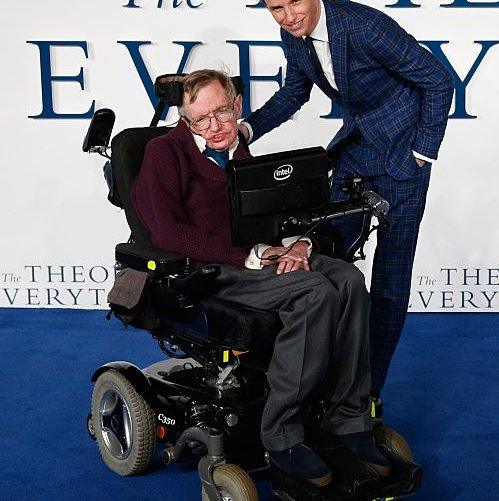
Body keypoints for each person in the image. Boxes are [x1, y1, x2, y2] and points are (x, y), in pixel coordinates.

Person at [131, 69, 389, 487]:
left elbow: (271, 216)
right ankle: (283, 436)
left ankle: (349, 418)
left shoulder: (240, 151)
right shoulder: (166, 154)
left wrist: (299, 244)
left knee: (346, 279)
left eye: (221, 113)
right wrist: (256, 255)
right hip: (212, 271)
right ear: (185, 120)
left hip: (258, 258)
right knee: (313, 291)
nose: (214, 126)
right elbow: (168, 232)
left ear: (237, 106)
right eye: (201, 119)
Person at [240, 0, 454, 401]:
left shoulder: (363, 26)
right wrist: (248, 128)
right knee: (327, 251)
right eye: (276, 8)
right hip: (355, 150)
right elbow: (295, 92)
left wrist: (423, 152)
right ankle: (319, 377)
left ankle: (365, 395)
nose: (289, 16)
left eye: (295, 2)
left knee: (390, 284)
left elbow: (437, 80)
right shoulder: (293, 36)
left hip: (401, 158)